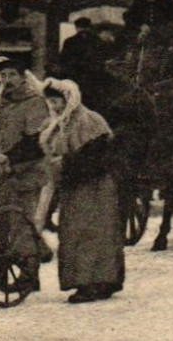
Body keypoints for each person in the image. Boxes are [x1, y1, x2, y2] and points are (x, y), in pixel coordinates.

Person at [40, 80, 125, 304]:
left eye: (58, 101)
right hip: (74, 186)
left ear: (70, 99)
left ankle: (95, 283)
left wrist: (66, 163)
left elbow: (96, 156)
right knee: (73, 233)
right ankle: (89, 281)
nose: (55, 107)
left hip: (94, 186)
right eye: (51, 102)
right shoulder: (58, 125)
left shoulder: (89, 121)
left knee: (92, 234)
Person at [0, 58, 54, 260]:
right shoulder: (3, 103)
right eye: (3, 75)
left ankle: (29, 275)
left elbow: (35, 142)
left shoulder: (34, 102)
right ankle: (8, 267)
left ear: (23, 77)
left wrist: (10, 160)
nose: (7, 80)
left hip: (27, 172)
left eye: (12, 75)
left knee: (21, 224)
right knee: (0, 222)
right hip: (5, 172)